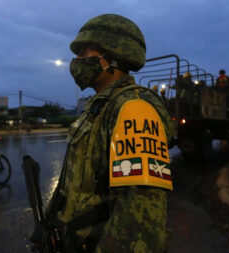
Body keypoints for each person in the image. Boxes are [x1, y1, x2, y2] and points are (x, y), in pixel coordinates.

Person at [45, 14, 175, 252]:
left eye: (85, 53)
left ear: (112, 57)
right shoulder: (99, 105)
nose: (77, 60)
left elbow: (139, 225)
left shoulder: (134, 108)